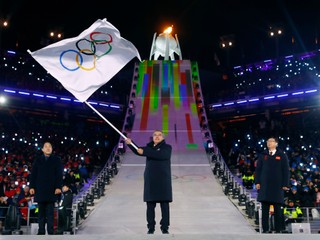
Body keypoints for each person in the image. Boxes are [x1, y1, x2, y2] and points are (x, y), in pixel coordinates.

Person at [125, 130, 172, 234]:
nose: (157, 136)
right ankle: (151, 227)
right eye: (155, 135)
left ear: (163, 138)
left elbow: (161, 155)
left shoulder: (167, 148)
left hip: (163, 180)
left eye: (159, 135)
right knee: (150, 205)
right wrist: (130, 144)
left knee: (164, 205)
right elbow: (138, 150)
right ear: (152, 137)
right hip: (151, 180)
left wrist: (145, 152)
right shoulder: (149, 148)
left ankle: (165, 227)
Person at [255, 136, 290, 233]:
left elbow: (286, 171)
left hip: (277, 186)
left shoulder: (282, 155)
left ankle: (278, 229)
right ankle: (265, 229)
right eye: (268, 141)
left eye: (271, 141)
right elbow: (258, 169)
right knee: (265, 209)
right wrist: (257, 182)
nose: (269, 143)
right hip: (265, 186)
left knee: (278, 210)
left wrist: (285, 184)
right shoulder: (263, 155)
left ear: (276, 143)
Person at [29, 141, 63, 235]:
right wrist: (32, 186)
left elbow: (59, 175)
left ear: (52, 149)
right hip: (40, 189)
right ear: (43, 149)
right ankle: (41, 231)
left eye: (50, 147)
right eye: (46, 147)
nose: (48, 148)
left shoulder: (56, 160)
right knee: (41, 213)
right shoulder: (38, 160)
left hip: (52, 190)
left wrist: (58, 187)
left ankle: (51, 231)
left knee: (50, 213)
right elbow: (33, 175)